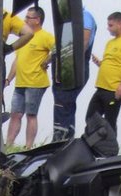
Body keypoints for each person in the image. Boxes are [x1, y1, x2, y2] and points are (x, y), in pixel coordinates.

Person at [5, 7, 55, 150]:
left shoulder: (45, 36)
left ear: (37, 20)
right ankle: (8, 145)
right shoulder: (25, 36)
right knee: (15, 114)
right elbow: (17, 61)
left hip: (35, 82)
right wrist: (8, 79)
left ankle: (28, 147)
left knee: (31, 115)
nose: (25, 20)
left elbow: (58, 48)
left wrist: (47, 61)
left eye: (28, 17)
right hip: (20, 82)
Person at [86, 10, 121, 132]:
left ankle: (111, 149)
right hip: (102, 87)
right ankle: (96, 145)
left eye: (111, 25)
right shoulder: (110, 43)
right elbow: (113, 63)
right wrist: (101, 64)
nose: (108, 28)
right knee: (90, 117)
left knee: (110, 121)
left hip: (114, 90)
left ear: (120, 24)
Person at [51, 8, 97, 142]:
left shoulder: (85, 16)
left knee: (64, 99)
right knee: (65, 100)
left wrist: (71, 62)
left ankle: (61, 136)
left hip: (73, 65)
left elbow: (84, 40)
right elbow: (60, 43)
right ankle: (66, 135)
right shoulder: (66, 19)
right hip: (62, 63)